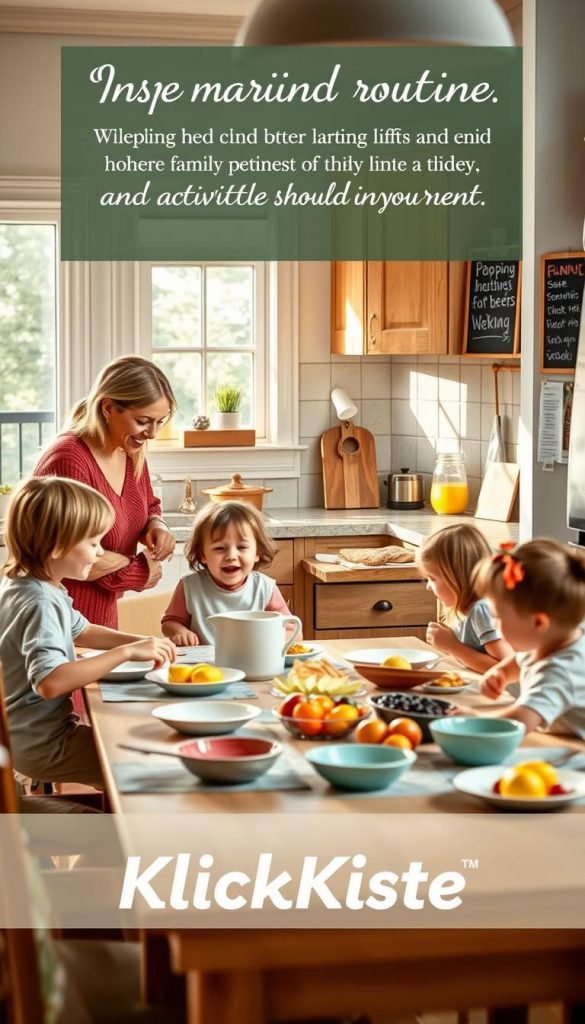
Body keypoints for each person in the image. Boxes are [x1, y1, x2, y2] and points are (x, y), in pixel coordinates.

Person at [0, 477, 176, 787]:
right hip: (44, 746)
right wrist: (125, 653)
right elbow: (51, 683)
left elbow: (81, 631)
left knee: (132, 749)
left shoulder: (30, 586)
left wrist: (143, 642)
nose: (99, 553)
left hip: (28, 738)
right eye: (93, 542)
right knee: (142, 767)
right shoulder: (40, 601)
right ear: (57, 546)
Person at [34, 355, 176, 631]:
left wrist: (156, 525)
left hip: (101, 625)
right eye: (144, 421)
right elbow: (67, 553)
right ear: (108, 407)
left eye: (160, 421)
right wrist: (137, 569)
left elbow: (149, 505)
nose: (153, 434)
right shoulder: (68, 460)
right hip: (60, 622)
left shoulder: (131, 452)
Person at [474, 539, 585, 738]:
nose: (493, 624)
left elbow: (520, 720)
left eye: (497, 617)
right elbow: (522, 659)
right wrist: (502, 672)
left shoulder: (560, 671)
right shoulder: (555, 639)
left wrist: (475, 719)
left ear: (538, 623)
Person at [161, 500, 295, 646]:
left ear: (257, 552)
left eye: (242, 547)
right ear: (203, 555)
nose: (231, 556)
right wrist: (180, 632)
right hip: (204, 666)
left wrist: (277, 641)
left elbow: (291, 628)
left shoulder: (264, 588)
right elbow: (169, 623)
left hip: (253, 664)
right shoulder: (189, 587)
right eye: (219, 548)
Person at [417, 523, 513, 673]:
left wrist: (453, 647)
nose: (428, 586)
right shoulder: (463, 608)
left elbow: (503, 667)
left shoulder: (481, 609)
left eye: (433, 579)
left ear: (456, 577)